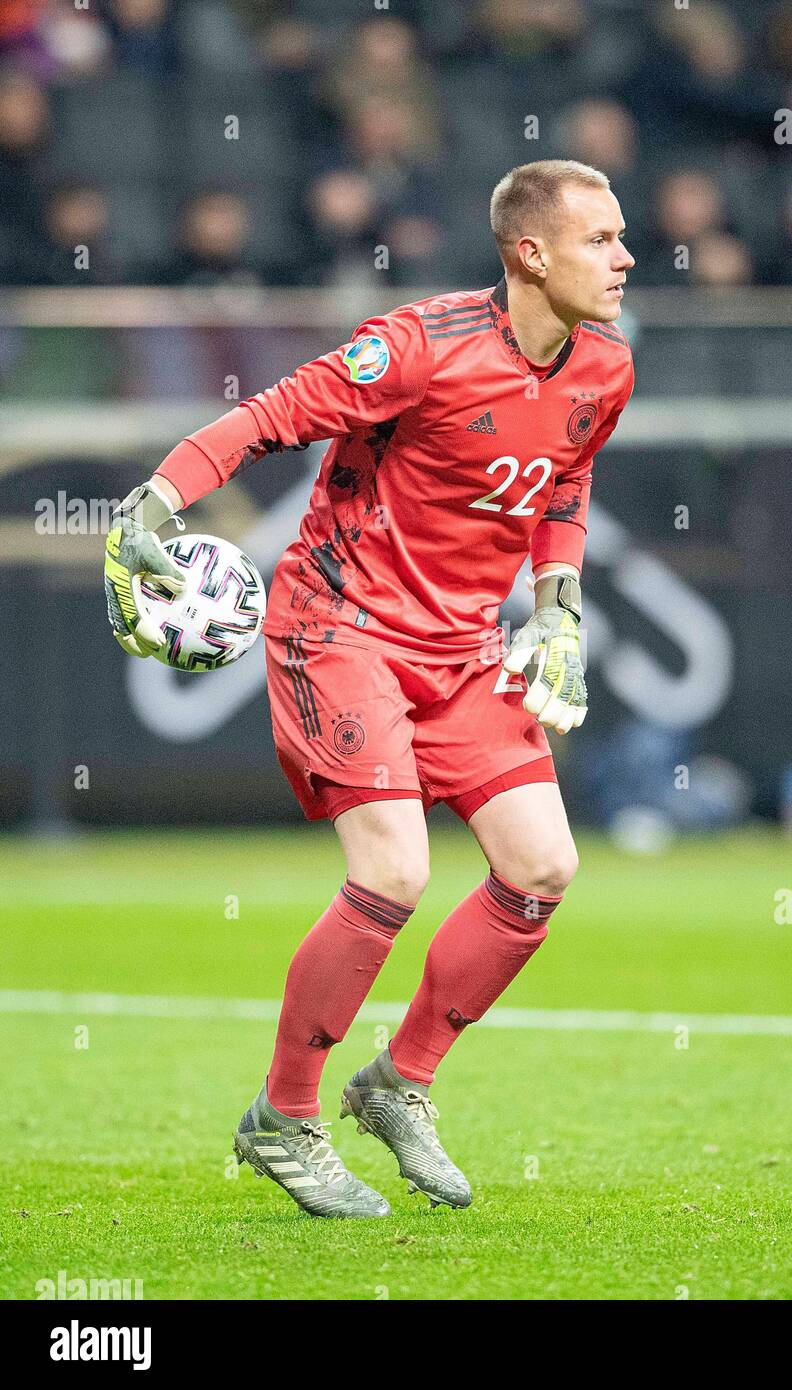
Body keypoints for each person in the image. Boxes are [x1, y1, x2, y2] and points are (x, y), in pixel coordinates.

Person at [102, 159, 635, 1218]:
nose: (625, 260)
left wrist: (560, 605)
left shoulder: (604, 368)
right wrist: (153, 503)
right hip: (339, 627)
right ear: (531, 253)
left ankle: (400, 1083)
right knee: (393, 872)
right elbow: (268, 415)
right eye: (602, 240)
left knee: (542, 867)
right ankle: (285, 1117)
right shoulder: (417, 348)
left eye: (622, 239)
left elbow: (565, 482)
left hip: (461, 648)